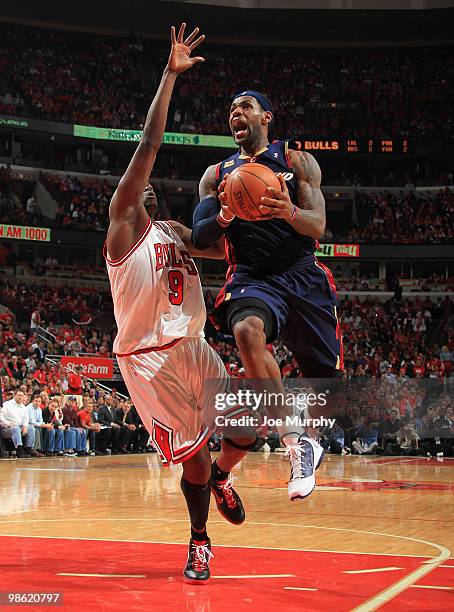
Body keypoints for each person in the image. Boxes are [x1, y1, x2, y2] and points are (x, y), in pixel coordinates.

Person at [104, 24, 257, 584]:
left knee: (255, 417)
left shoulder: (170, 230)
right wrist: (169, 75)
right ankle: (199, 542)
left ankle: (222, 476)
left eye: (147, 187)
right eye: (134, 184)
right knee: (189, 457)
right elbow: (148, 147)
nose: (142, 186)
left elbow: (222, 242)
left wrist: (251, 206)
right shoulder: (124, 228)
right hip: (149, 358)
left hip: (193, 346)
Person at [192, 90, 344, 500]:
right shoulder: (216, 174)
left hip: (301, 274)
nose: (236, 114)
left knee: (329, 386)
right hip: (251, 276)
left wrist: (287, 211)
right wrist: (224, 212)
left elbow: (317, 227)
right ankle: (293, 441)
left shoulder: (295, 161)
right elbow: (202, 234)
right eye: (231, 110)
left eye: (245, 107)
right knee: (246, 332)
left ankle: (311, 439)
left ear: (266, 117)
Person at [0, 389, 37, 457]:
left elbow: (26, 418)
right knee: (15, 427)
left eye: (22, 396)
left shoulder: (23, 407)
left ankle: (28, 448)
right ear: (14, 395)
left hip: (19, 427)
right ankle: (19, 449)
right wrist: (7, 424)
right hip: (7, 428)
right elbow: (0, 416)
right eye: (19, 395)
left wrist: (25, 427)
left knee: (31, 428)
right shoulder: (6, 404)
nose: (20, 397)